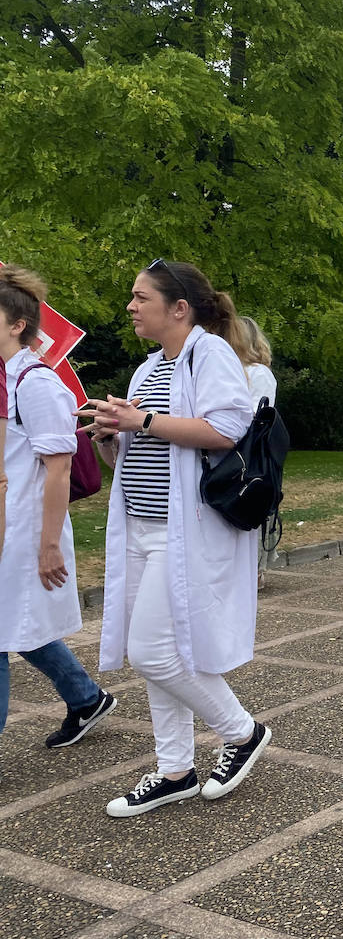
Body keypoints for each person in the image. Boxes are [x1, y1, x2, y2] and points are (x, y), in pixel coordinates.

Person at [81, 259, 269, 817]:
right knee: (161, 649)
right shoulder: (147, 369)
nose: (132, 306)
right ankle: (174, 768)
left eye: (141, 297)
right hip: (141, 525)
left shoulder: (208, 353)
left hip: (182, 530)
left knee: (152, 650)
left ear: (179, 308)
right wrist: (110, 434)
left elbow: (225, 428)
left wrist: (140, 422)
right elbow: (138, 453)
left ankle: (242, 732)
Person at [1, 267, 119, 772]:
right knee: (16, 627)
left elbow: (59, 465)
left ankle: (86, 697)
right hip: (9, 525)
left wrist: (48, 544)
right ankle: (86, 697)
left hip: (26, 530)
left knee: (4, 634)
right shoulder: (8, 378)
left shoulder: (36, 381)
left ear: (16, 325)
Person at [237, 317, 278, 585]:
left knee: (251, 505)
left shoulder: (258, 373)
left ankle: (254, 570)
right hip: (236, 452)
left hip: (250, 454)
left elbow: (256, 415)